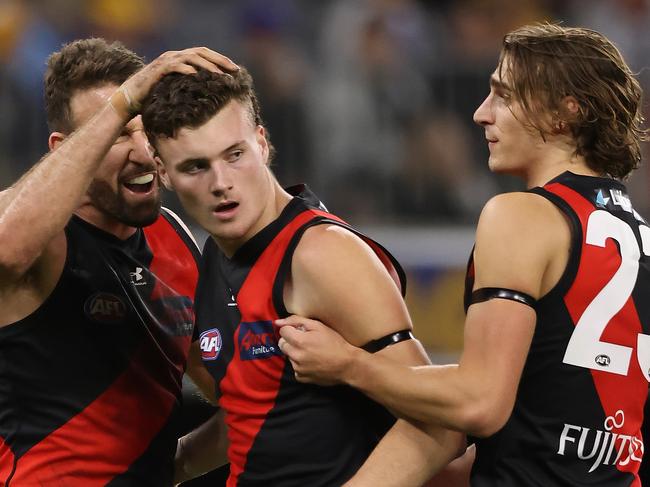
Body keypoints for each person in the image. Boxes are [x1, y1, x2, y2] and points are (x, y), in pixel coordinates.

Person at [277, 22, 650, 486]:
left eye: (504, 95)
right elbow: (558, 427)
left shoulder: (521, 215)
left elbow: (480, 403)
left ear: (564, 114)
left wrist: (348, 365)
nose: (481, 113)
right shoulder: (641, 239)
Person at [141, 67, 464, 486]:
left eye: (234, 155)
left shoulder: (321, 254)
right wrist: (175, 463)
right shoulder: (218, 256)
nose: (221, 183)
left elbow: (441, 424)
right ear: (163, 173)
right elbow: (260, 413)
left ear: (261, 142)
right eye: (195, 167)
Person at [0, 39, 237, 485]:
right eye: (117, 134)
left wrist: (178, 464)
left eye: (147, 129)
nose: (145, 153)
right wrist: (123, 102)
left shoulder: (174, 236)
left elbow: (241, 398)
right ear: (64, 147)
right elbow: (7, 249)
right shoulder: (36, 236)